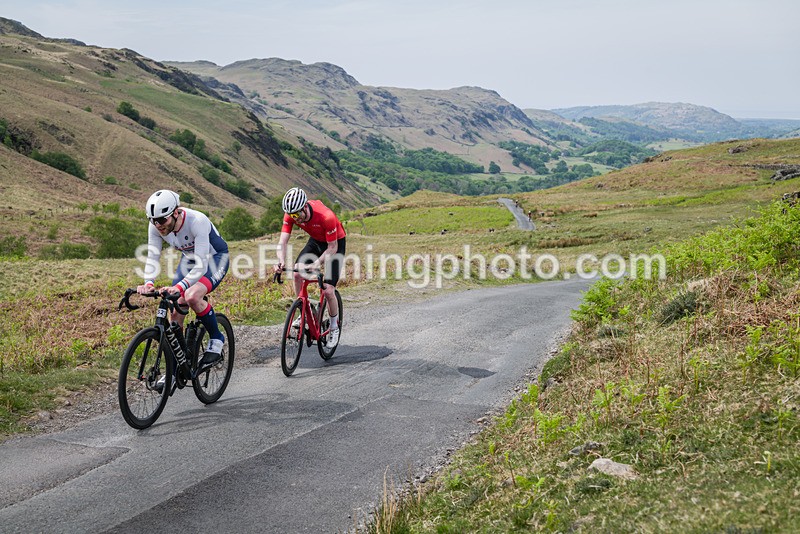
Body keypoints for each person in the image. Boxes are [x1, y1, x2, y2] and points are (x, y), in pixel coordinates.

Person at [137, 189, 230, 370]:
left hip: (215, 258)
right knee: (176, 309)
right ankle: (178, 364)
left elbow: (202, 265)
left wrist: (180, 286)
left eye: (162, 220)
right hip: (189, 259)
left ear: (176, 212)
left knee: (192, 296)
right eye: (153, 220)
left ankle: (217, 338)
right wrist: (148, 282)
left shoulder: (197, 221)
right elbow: (152, 257)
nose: (158, 225)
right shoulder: (156, 226)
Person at [274, 187, 345, 348]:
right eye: (293, 216)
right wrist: (280, 260)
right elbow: (283, 241)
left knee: (328, 290)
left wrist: (316, 264)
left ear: (305, 206)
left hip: (335, 244)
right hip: (315, 241)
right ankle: (304, 308)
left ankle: (334, 326)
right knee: (298, 273)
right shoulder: (291, 213)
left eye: (298, 214)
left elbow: (332, 249)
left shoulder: (326, 217)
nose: (296, 219)